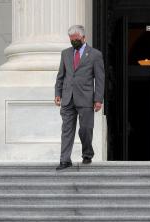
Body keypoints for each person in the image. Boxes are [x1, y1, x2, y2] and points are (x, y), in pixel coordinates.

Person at [54, 25, 104, 171]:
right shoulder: (65, 54)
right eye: (71, 40)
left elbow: (100, 79)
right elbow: (60, 76)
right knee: (67, 130)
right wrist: (58, 93)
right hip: (68, 97)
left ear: (83, 38)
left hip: (86, 98)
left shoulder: (95, 54)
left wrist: (98, 99)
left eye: (76, 39)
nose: (73, 42)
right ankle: (65, 160)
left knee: (86, 129)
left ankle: (87, 153)